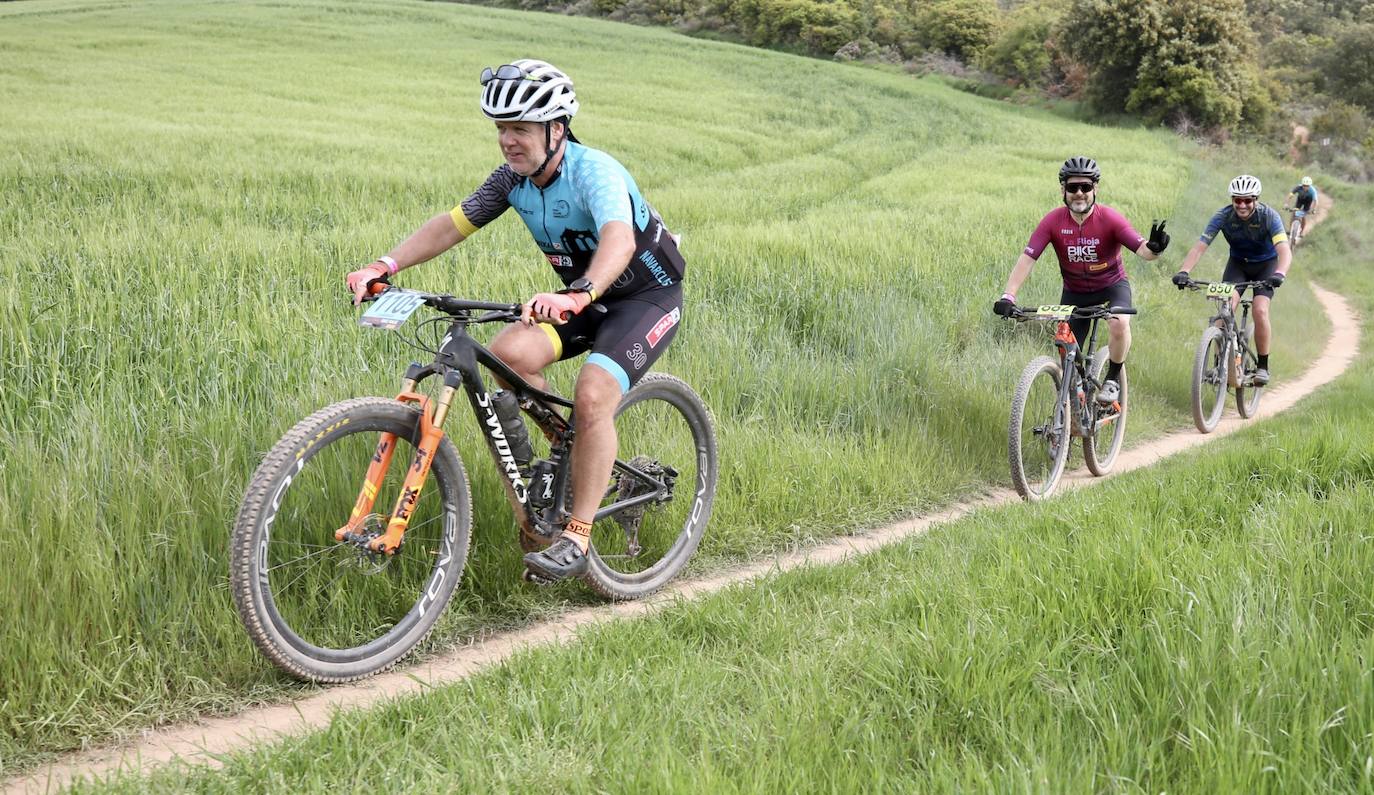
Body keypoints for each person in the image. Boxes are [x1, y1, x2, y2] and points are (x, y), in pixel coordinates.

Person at [345, 59, 687, 582]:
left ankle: (576, 535)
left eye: (520, 129)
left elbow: (618, 240)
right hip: (580, 298)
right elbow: (451, 225)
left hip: (644, 298)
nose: (508, 140)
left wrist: (580, 294)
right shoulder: (512, 181)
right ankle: (565, 451)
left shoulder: (594, 171)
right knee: (508, 354)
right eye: (501, 129)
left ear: (556, 130)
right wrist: (384, 265)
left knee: (594, 396)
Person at [993, 156, 1170, 405]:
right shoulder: (1053, 221)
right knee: (1067, 355)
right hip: (1075, 292)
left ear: (1095, 189)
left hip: (1112, 286)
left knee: (1119, 323)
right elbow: (1028, 258)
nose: (1079, 193)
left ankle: (1112, 378)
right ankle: (1073, 412)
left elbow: (1143, 250)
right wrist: (1008, 296)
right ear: (1062, 190)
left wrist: (1155, 249)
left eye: (1085, 187)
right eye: (1072, 187)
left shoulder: (1109, 218)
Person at [1171, 174, 1291, 386]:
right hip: (1238, 266)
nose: (1242, 205)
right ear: (1232, 200)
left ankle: (1262, 366)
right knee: (1224, 310)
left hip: (1266, 267)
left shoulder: (1269, 216)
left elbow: (1284, 251)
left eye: (1247, 200)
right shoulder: (1223, 216)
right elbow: (1200, 247)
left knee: (1260, 309)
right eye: (1238, 200)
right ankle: (1220, 364)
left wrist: (1279, 274)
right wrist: (1184, 271)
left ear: (1256, 199)